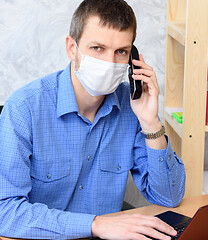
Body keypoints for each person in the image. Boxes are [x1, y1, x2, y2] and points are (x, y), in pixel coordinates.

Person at [0, 0, 185, 239]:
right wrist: (94, 224)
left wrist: (151, 122)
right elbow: (4, 211)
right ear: (71, 48)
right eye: (97, 48)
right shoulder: (24, 108)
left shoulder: (133, 107)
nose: (110, 62)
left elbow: (168, 196)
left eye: (121, 52)